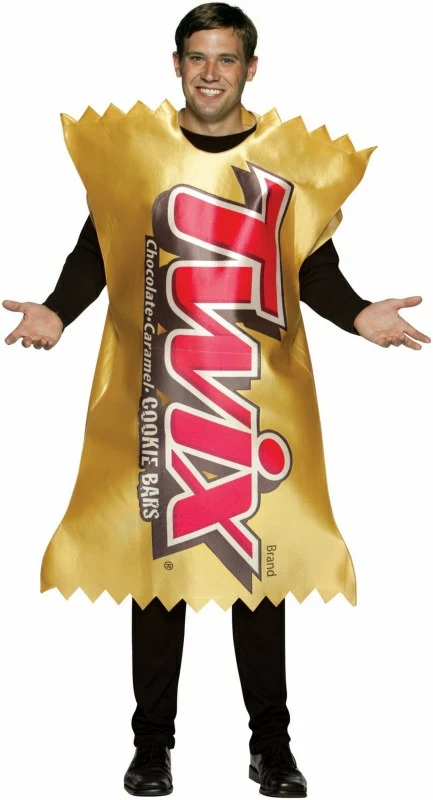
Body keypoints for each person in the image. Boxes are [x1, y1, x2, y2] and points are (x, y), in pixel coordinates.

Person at [2, 4, 430, 798]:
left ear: (249, 69)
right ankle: (151, 748)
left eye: (225, 59)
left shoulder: (282, 163)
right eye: (196, 57)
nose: (209, 73)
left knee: (257, 568)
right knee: (156, 566)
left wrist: (358, 315)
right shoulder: (138, 155)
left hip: (253, 400)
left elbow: (309, 264)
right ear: (176, 64)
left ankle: (272, 748)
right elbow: (98, 247)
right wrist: (57, 311)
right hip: (163, 395)